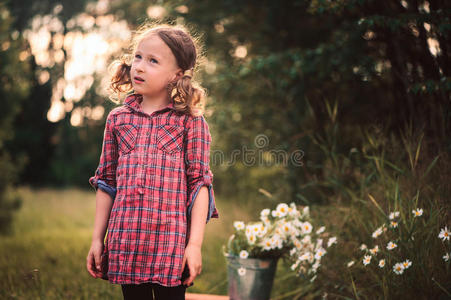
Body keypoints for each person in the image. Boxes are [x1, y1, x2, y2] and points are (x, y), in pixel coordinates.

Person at [86, 22, 219, 300]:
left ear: (176, 75)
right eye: (137, 56)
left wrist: (193, 245)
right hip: (127, 242)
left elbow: (200, 186)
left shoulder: (191, 122)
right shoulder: (118, 120)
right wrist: (98, 239)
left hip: (171, 246)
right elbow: (106, 182)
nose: (140, 66)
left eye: (153, 61)